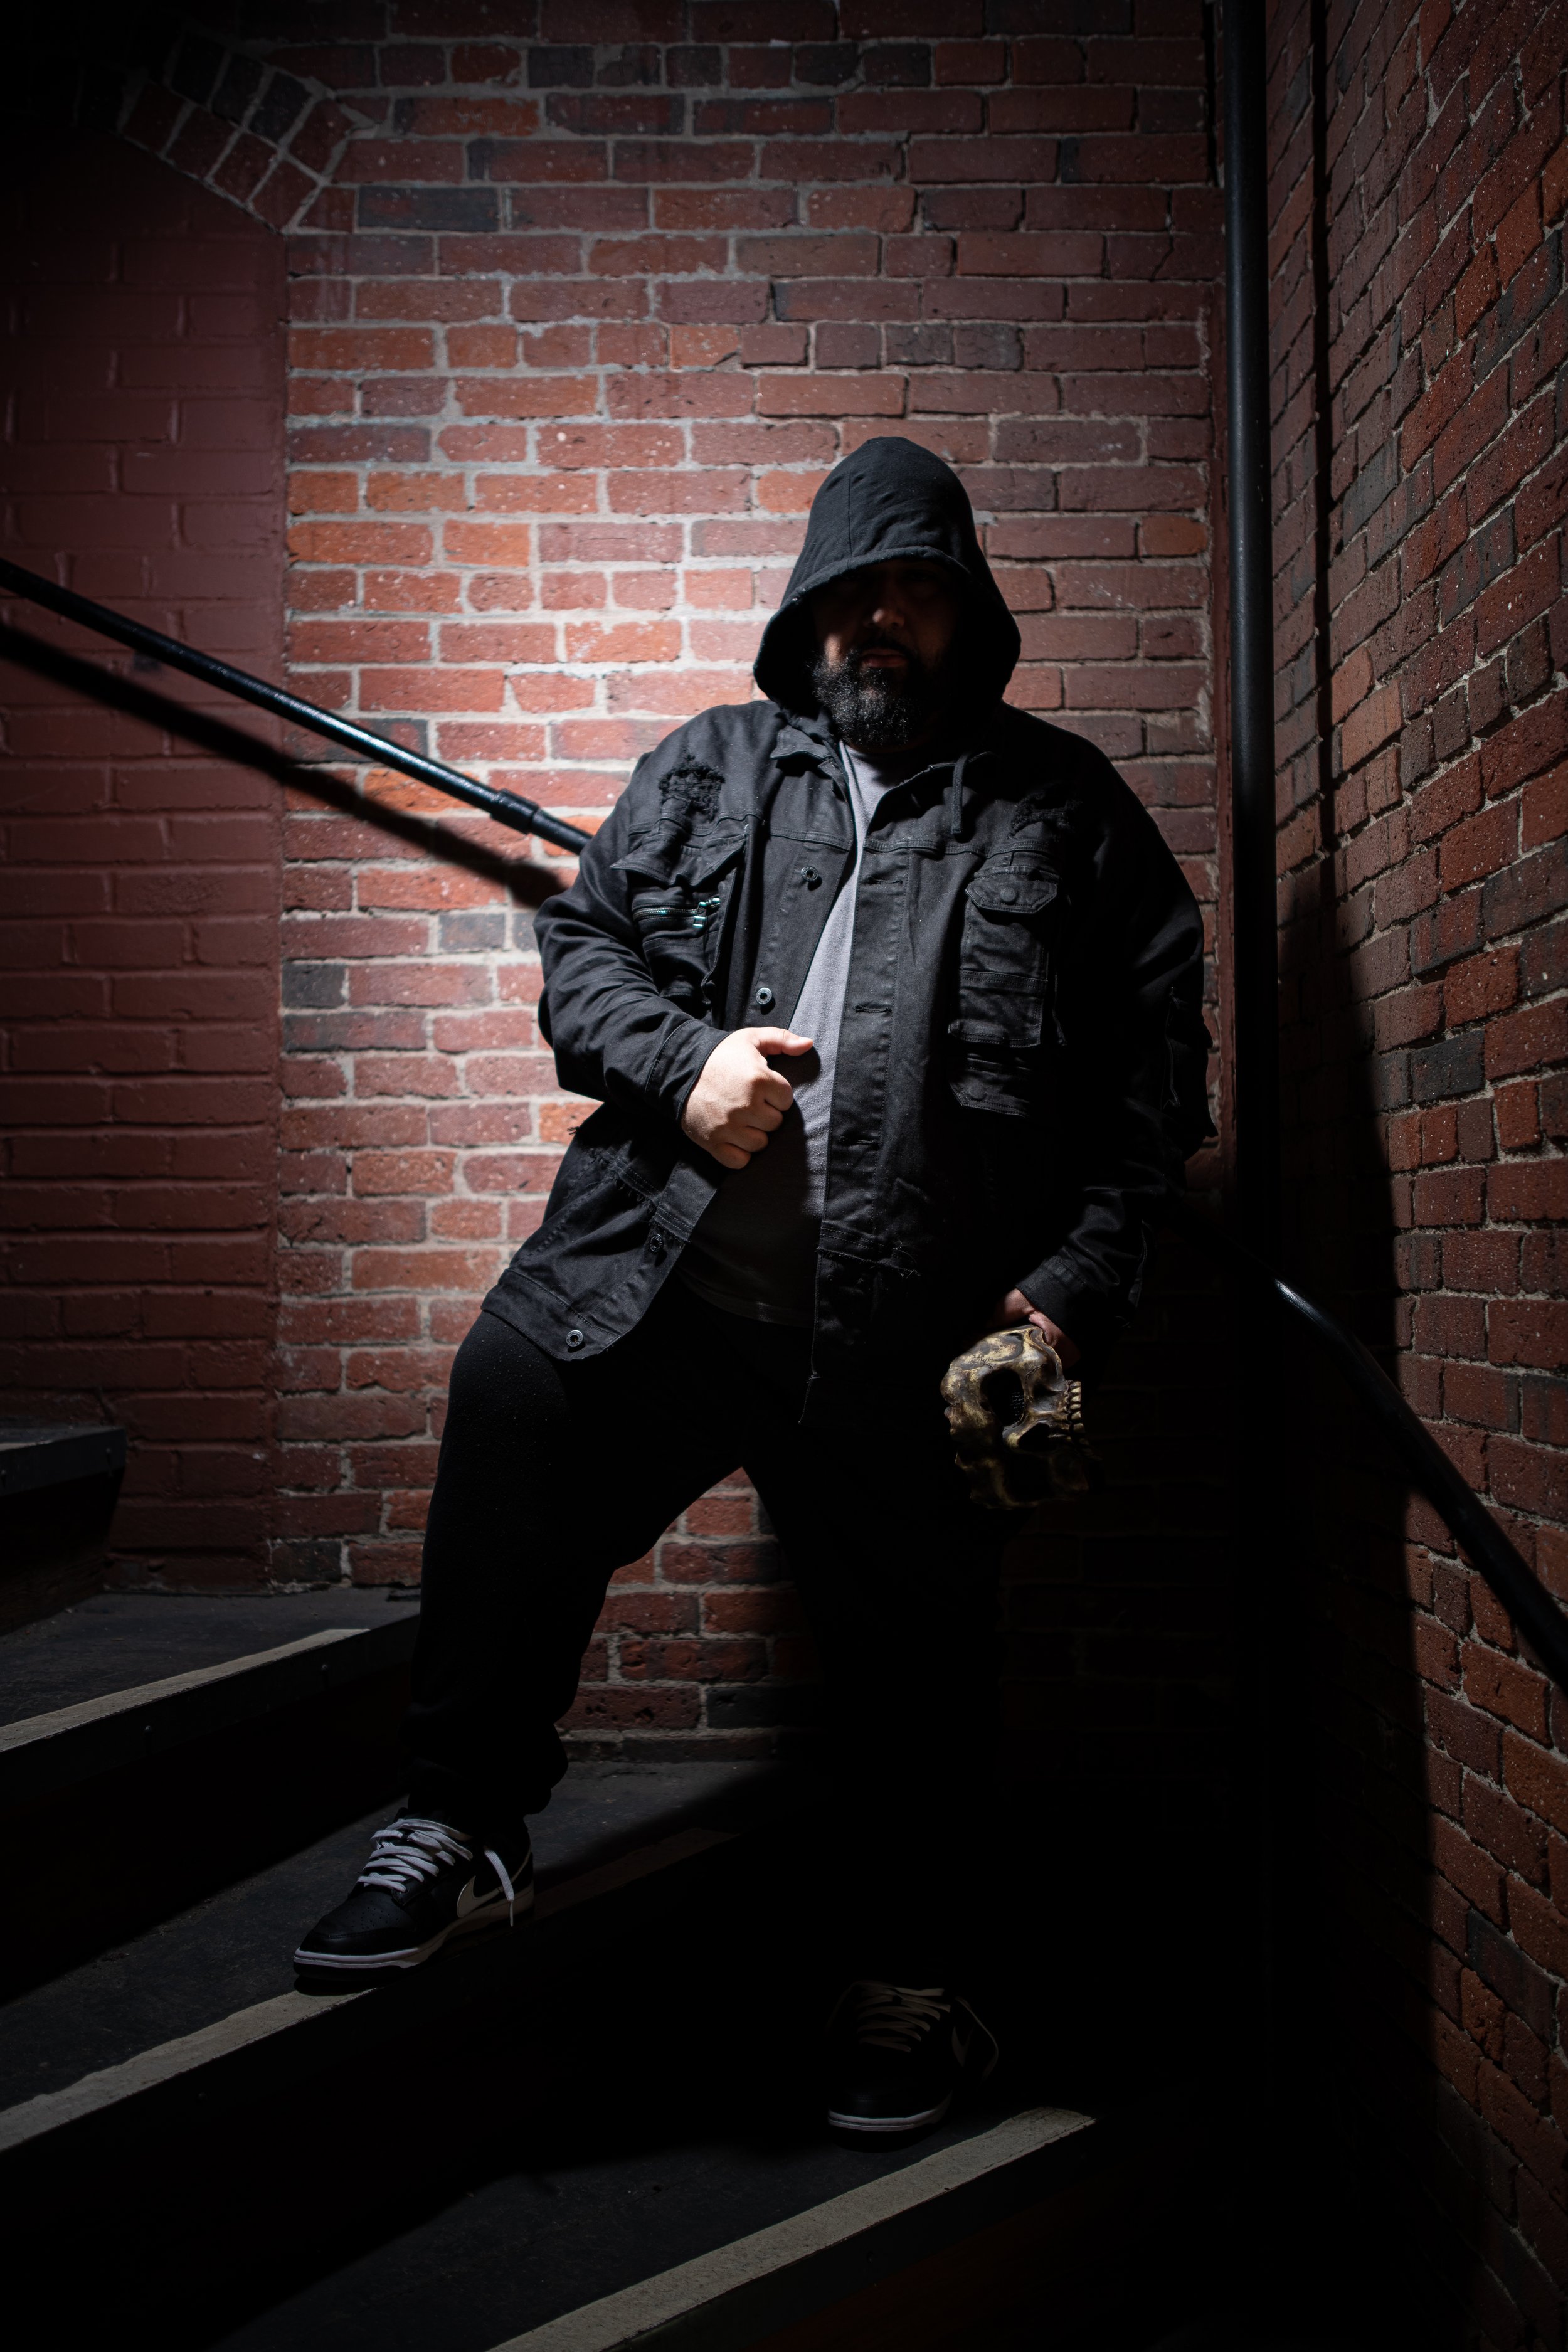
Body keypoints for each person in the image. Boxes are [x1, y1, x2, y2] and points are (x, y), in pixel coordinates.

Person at [294, 438, 1211, 2142]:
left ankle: (912, 1982)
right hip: (667, 1290)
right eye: (853, 592)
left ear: (969, 617)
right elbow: (586, 960)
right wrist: (686, 1061)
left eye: (917, 591)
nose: (882, 623)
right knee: (510, 1407)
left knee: (920, 1667)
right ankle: (462, 1821)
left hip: (913, 1333)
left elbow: (1152, 1095)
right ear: (806, 613)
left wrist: (1069, 1290)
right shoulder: (709, 770)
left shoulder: (1063, 807)